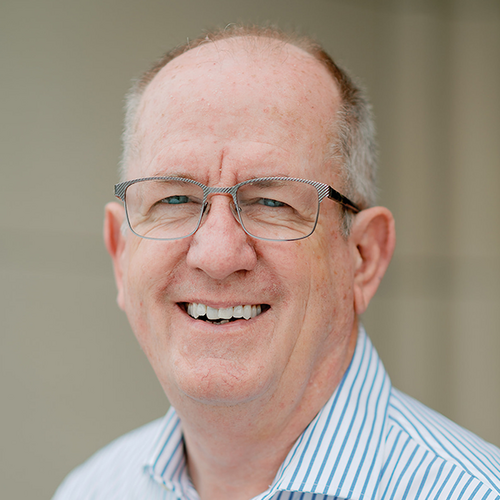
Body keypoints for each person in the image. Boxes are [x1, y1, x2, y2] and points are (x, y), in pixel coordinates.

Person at [53, 25, 500, 500]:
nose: (218, 256)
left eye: (272, 202)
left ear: (363, 257)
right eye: (174, 199)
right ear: (121, 253)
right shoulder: (92, 490)